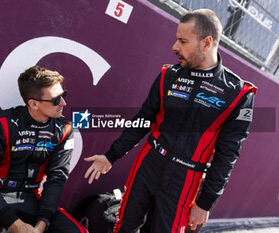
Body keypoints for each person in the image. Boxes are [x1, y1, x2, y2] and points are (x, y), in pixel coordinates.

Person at [84, 9, 257, 233]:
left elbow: (227, 155)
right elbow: (143, 120)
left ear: (206, 43)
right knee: (124, 227)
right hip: (149, 162)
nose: (174, 47)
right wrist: (111, 155)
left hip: (186, 177)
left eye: (182, 41)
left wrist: (205, 202)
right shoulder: (168, 75)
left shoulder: (239, 94)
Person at [0, 66, 87, 233]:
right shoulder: (1, 123)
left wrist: (42, 224)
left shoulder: (64, 129)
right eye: (56, 99)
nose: (64, 103)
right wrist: (15, 225)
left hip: (33, 198)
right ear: (33, 103)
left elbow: (56, 178)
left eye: (64, 95)